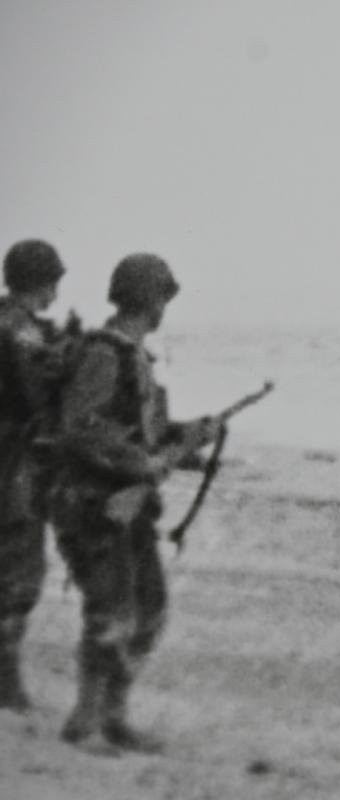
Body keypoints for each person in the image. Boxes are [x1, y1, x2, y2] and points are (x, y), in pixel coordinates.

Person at [50, 253, 219, 753]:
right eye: (163, 297)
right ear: (152, 300)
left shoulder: (133, 356)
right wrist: (143, 464)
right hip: (94, 506)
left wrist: (190, 437)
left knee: (149, 613)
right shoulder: (105, 354)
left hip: (129, 508)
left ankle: (113, 717)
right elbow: (81, 427)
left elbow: (142, 431)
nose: (165, 307)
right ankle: (85, 722)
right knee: (112, 615)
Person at [0, 239, 67, 711]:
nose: (55, 294)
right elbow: (34, 400)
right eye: (52, 283)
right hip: (13, 463)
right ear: (41, 282)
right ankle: (4, 682)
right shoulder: (21, 330)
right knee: (21, 573)